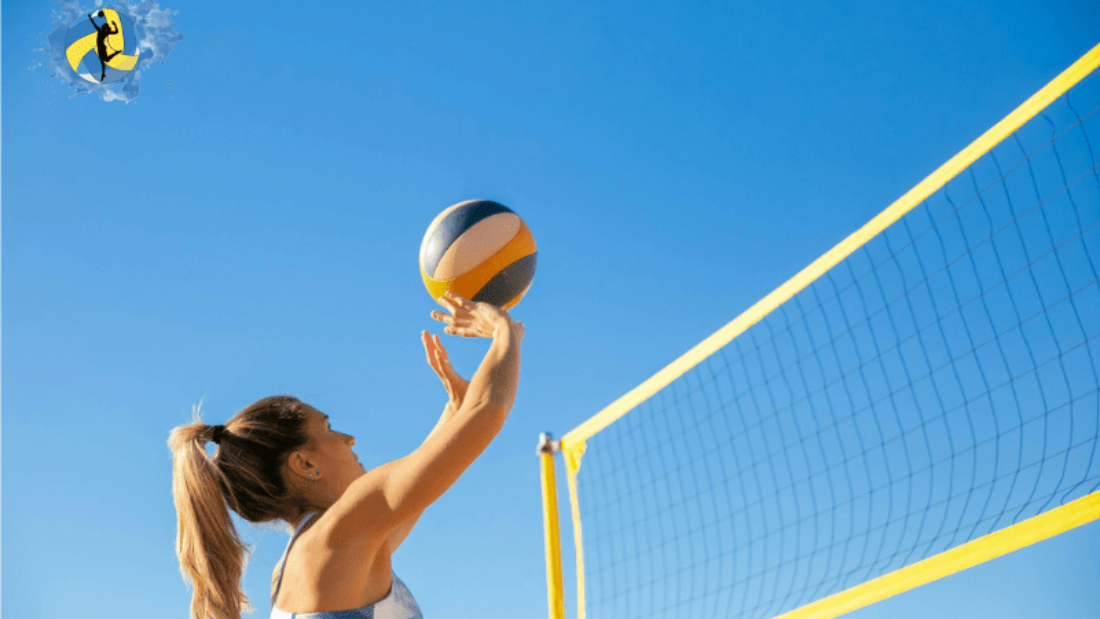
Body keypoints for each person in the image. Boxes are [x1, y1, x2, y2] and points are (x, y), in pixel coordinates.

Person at [168, 291, 524, 619]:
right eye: (328, 429)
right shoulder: (340, 532)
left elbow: (421, 488)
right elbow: (488, 413)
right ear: (304, 463)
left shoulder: (305, 560)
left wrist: (455, 409)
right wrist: (502, 331)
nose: (349, 439)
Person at [87, 11, 122, 82]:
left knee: (104, 60)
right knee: (104, 60)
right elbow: (116, 31)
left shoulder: (102, 31)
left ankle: (103, 73)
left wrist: (90, 18)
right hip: (101, 47)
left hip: (101, 47)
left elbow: (94, 24)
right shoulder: (105, 32)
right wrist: (114, 25)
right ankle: (103, 74)